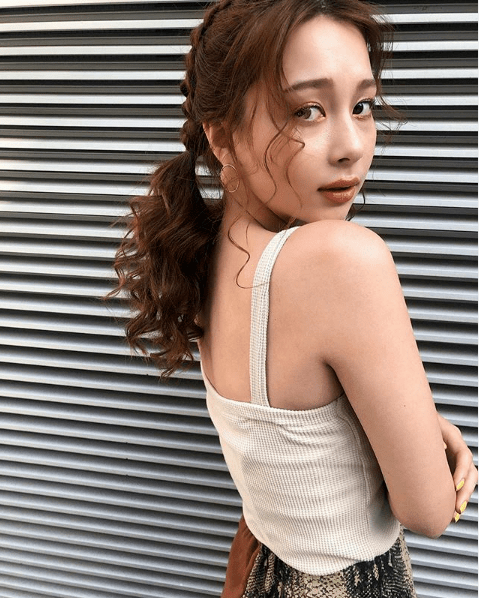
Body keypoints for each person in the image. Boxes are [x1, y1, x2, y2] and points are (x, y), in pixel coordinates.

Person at [112, 0, 478, 595]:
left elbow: (295, 438)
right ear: (221, 135)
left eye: (362, 106)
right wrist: (439, 463)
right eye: (306, 111)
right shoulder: (341, 259)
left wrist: (411, 421)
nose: (351, 146)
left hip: (264, 572)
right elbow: (429, 511)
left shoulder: (213, 250)